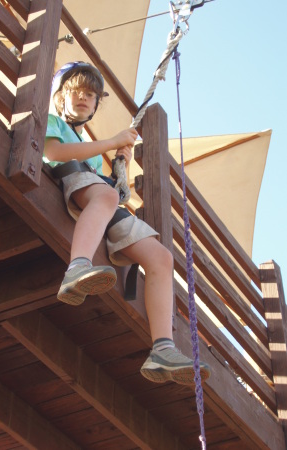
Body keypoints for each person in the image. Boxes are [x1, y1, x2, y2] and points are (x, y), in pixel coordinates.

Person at [44, 61, 211, 385]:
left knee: (161, 257)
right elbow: (55, 151)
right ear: (61, 95)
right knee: (105, 197)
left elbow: (111, 193)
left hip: (96, 194)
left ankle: (163, 347)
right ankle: (77, 267)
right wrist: (110, 144)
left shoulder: (92, 155)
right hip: (68, 180)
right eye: (76, 90)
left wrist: (120, 167)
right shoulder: (53, 123)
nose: (83, 97)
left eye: (91, 94)